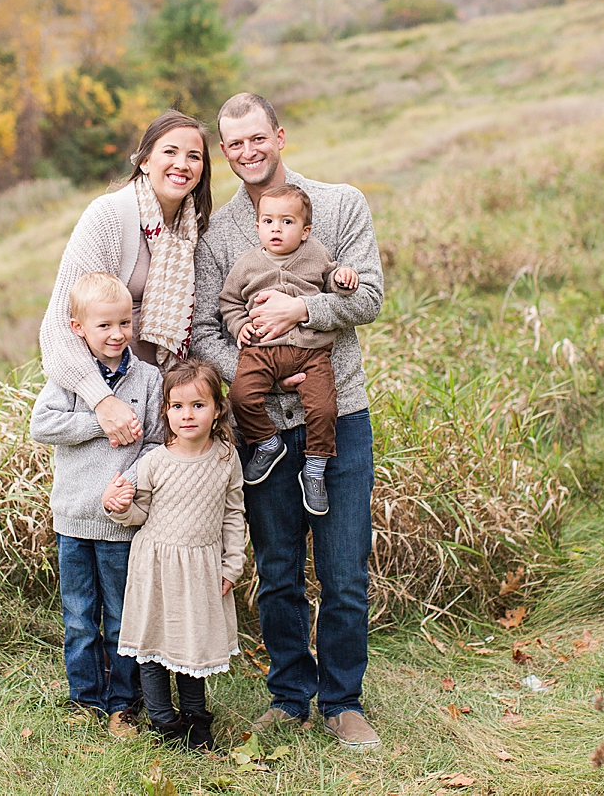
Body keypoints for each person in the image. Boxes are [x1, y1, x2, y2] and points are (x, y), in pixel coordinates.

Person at [191, 92, 385, 750]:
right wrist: (267, 370)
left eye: (257, 138)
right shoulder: (220, 236)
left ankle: (343, 700)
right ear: (226, 149)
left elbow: (370, 296)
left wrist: (303, 316)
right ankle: (289, 695)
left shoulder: (339, 205)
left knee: (343, 570)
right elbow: (205, 327)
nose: (247, 152)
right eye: (234, 143)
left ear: (280, 135)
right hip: (265, 427)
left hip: (340, 413)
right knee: (276, 570)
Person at [31, 272, 164, 737]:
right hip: (72, 518)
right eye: (104, 325)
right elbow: (42, 425)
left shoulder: (148, 378)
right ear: (78, 328)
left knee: (121, 616)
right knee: (79, 617)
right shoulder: (71, 380)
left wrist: (127, 480)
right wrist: (100, 420)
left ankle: (123, 703)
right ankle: (84, 698)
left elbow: (154, 443)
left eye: (124, 323)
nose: (116, 334)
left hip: (118, 521)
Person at [39, 110, 212, 452]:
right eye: (170, 152)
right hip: (110, 401)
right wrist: (102, 402)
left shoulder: (194, 229)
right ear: (145, 160)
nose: (182, 163)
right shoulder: (109, 217)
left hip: (166, 404)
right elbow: (59, 325)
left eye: (194, 156)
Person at [102, 358, 245, 753]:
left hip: (201, 566)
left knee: (191, 643)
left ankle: (197, 720)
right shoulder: (155, 461)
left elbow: (234, 513)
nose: (187, 415)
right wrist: (119, 507)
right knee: (152, 644)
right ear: (165, 410)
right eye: (177, 406)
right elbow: (139, 514)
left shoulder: (225, 457)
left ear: (217, 409)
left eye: (198, 405)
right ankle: (164, 720)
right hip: (155, 565)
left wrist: (233, 563)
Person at [219, 183, 359, 515]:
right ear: (258, 226)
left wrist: (343, 276)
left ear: (305, 230)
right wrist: (241, 326)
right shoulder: (247, 263)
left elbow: (332, 282)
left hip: (312, 352)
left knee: (324, 409)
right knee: (240, 396)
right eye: (268, 222)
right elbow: (229, 302)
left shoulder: (316, 253)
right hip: (261, 351)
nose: (276, 229)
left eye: (287, 222)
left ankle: (315, 469)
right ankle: (267, 442)